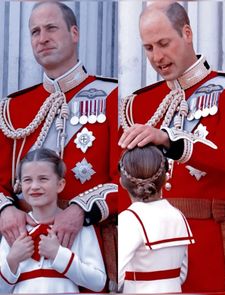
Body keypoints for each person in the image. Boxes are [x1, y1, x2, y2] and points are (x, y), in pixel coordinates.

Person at [0, 1, 118, 292]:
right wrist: (4, 211)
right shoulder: (14, 108)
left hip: (90, 246)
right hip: (24, 251)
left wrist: (80, 210)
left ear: (74, 33)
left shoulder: (113, 96)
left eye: (51, 28)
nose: (42, 38)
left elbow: (128, 181)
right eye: (35, 32)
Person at [119, 1, 225, 293]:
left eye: (163, 43)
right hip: (151, 254)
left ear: (187, 33)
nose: (157, 57)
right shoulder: (139, 104)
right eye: (148, 48)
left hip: (212, 250)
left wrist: (168, 140)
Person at [0, 148, 106, 294]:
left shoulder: (80, 227)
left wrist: (58, 254)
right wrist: (12, 260)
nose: (34, 186)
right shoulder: (14, 229)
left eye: (43, 178)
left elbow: (98, 283)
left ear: (60, 184)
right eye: (27, 180)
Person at [118, 145, 194, 294]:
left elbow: (117, 276)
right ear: (165, 178)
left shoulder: (129, 218)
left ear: (122, 182)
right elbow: (181, 274)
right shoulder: (178, 214)